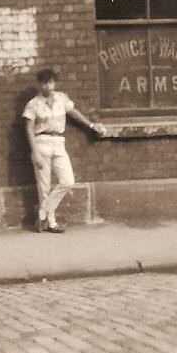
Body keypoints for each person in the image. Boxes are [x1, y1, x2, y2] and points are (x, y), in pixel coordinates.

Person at [22, 68, 106, 233]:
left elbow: (73, 113)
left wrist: (91, 125)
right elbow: (29, 129)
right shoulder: (33, 104)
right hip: (42, 142)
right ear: (39, 84)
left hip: (59, 142)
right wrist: (35, 153)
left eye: (51, 82)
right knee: (44, 186)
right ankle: (51, 223)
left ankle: (42, 211)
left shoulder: (61, 98)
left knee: (68, 180)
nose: (48, 86)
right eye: (45, 83)